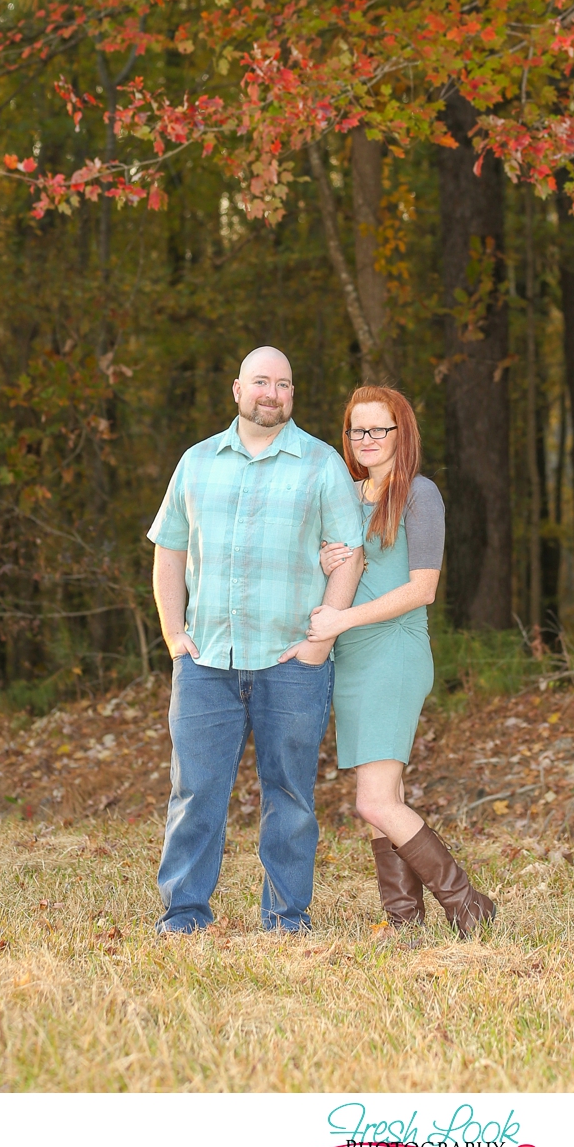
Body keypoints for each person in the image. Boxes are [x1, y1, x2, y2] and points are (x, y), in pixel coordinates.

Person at [148, 345, 365, 935]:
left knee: (290, 797)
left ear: (293, 395)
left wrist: (323, 635)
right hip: (207, 660)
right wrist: (174, 635)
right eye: (262, 382)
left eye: (285, 384)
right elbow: (169, 552)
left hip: (291, 660)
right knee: (195, 795)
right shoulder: (196, 462)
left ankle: (286, 917)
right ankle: (185, 913)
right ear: (237, 389)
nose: (273, 393)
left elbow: (350, 554)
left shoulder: (322, 465)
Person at [302, 384, 496, 937]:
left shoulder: (419, 494)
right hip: (353, 660)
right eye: (356, 430)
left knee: (374, 801)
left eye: (378, 429)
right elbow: (339, 575)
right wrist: (322, 557)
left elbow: (422, 589)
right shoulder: (345, 496)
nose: (366, 439)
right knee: (386, 796)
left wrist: (341, 621)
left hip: (394, 652)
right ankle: (405, 922)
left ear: (400, 434)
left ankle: (468, 904)